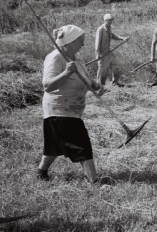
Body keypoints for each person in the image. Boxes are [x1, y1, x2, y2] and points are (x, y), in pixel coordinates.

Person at [37, 25, 107, 184]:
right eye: (80, 41)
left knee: (55, 145)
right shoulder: (55, 57)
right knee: (82, 144)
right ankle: (94, 181)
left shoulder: (76, 59)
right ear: (69, 42)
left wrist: (95, 86)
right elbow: (47, 86)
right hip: (59, 108)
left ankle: (41, 171)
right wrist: (67, 72)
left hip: (70, 109)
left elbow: (83, 79)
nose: (83, 44)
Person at [95, 13, 129, 87]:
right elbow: (97, 42)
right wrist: (98, 54)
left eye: (111, 20)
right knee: (103, 71)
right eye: (109, 20)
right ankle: (99, 86)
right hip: (102, 54)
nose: (111, 22)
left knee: (117, 66)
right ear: (105, 20)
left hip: (109, 52)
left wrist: (122, 38)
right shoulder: (100, 29)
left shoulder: (109, 28)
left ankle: (115, 82)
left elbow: (113, 35)